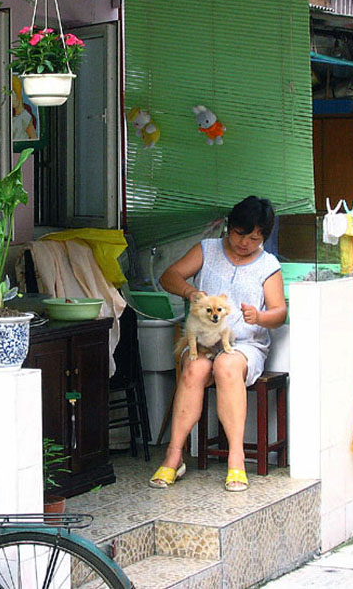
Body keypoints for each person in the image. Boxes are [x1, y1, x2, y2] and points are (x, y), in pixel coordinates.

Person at [150, 196, 287, 492]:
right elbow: (168, 276)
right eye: (239, 234)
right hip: (202, 339)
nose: (244, 243)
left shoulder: (268, 264)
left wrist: (260, 317)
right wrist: (190, 292)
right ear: (229, 226)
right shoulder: (207, 250)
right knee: (194, 368)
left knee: (226, 365)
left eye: (254, 238)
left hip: (246, 345)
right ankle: (175, 454)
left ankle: (236, 460)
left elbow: (279, 313)